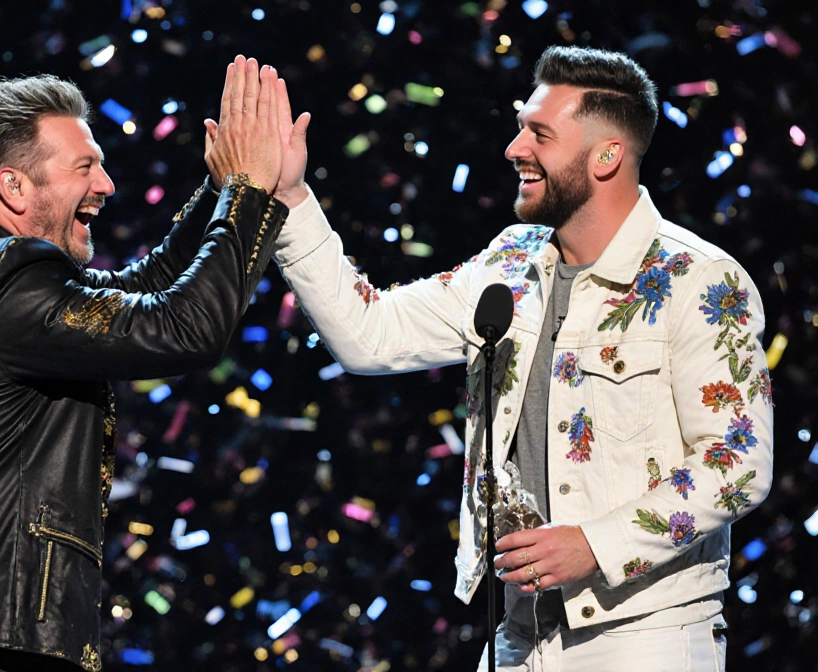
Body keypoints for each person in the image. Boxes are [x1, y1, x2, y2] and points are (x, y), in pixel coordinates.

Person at [268, 46, 774, 670]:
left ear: (607, 156)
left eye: (540, 134)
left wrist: (595, 544)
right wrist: (290, 197)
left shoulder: (697, 279)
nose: (514, 149)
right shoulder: (510, 262)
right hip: (518, 632)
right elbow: (368, 334)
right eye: (519, 129)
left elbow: (738, 463)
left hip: (644, 638)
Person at [0, 56, 291, 672]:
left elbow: (140, 292)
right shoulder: (2, 282)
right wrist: (249, 192)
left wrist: (222, 193)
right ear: (14, 186)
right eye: (84, 167)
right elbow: (183, 327)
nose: (106, 184)